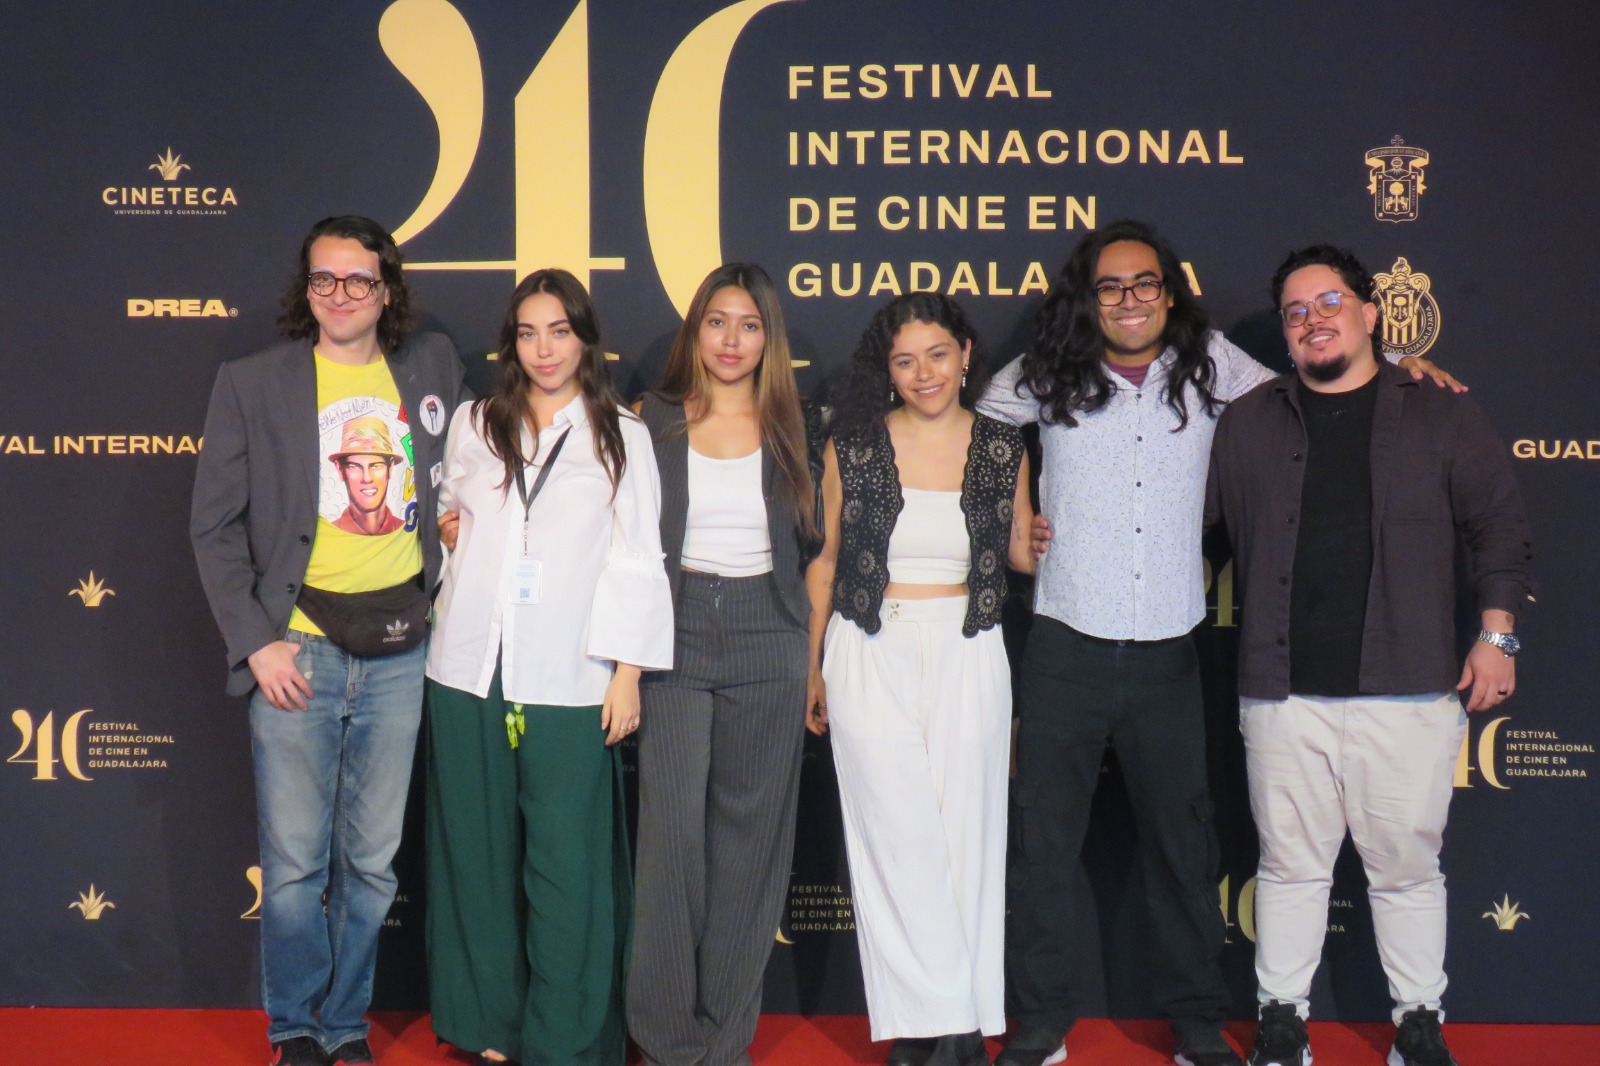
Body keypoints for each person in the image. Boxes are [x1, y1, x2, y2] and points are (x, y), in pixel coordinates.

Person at [979, 219, 1461, 1066]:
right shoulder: (1047, 371)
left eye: (1145, 284)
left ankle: (1198, 1022)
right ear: (1087, 298)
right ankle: (1042, 1023)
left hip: (1172, 645)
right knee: (1043, 847)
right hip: (1064, 639)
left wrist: (1399, 370)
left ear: (1168, 292)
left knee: (1184, 845)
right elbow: (975, 425)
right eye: (1111, 287)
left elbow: (1318, 385)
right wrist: (1017, 512)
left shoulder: (1216, 367)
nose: (1129, 301)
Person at [1206, 245, 1533, 1066]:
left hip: (1410, 690)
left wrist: (1497, 637)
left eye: (1329, 303)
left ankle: (1418, 1021)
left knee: (1408, 870)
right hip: (1282, 693)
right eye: (1296, 311)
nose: (1313, 321)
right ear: (1283, 332)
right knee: (1287, 867)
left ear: (1370, 314)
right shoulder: (1247, 420)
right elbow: (1190, 533)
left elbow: (1499, 528)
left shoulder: (1441, 409)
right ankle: (1282, 1018)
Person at [191, 215, 468, 1066]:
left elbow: (463, 475)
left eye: (358, 280)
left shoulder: (432, 365)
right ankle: (295, 1029)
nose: (339, 296)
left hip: (401, 650)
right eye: (324, 279)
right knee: (295, 865)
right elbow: (214, 527)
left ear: (387, 289)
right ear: (304, 286)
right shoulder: (252, 381)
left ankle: (346, 1025)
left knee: (374, 866)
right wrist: (257, 643)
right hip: (297, 651)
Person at [424, 269, 674, 1065]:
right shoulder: (473, 422)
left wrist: (628, 674)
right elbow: (439, 512)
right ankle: (492, 1030)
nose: (542, 349)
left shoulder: (620, 436)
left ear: (584, 337)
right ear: (512, 342)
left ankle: (565, 1040)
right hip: (468, 670)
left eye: (558, 331)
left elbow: (639, 560)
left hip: (572, 676)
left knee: (567, 871)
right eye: (528, 333)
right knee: (477, 860)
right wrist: (448, 533)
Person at [807, 293, 1034, 1066]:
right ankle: (943, 1022)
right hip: (870, 645)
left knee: (965, 841)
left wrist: (1047, 538)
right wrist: (814, 670)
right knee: (895, 842)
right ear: (888, 369)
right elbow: (828, 562)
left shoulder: (1005, 445)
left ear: (967, 353)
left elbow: (1021, 555)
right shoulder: (855, 443)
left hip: (969, 647)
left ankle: (942, 1027)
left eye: (937, 354)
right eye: (905, 360)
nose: (923, 373)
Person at [626, 264, 821, 1066]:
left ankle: (725, 1040)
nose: (731, 340)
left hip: (770, 635)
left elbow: (815, 557)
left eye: (748, 325)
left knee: (751, 844)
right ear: (695, 332)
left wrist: (811, 667)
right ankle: (669, 1041)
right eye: (717, 322)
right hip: (675, 630)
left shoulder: (795, 426)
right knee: (671, 838)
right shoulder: (653, 420)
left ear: (767, 338)